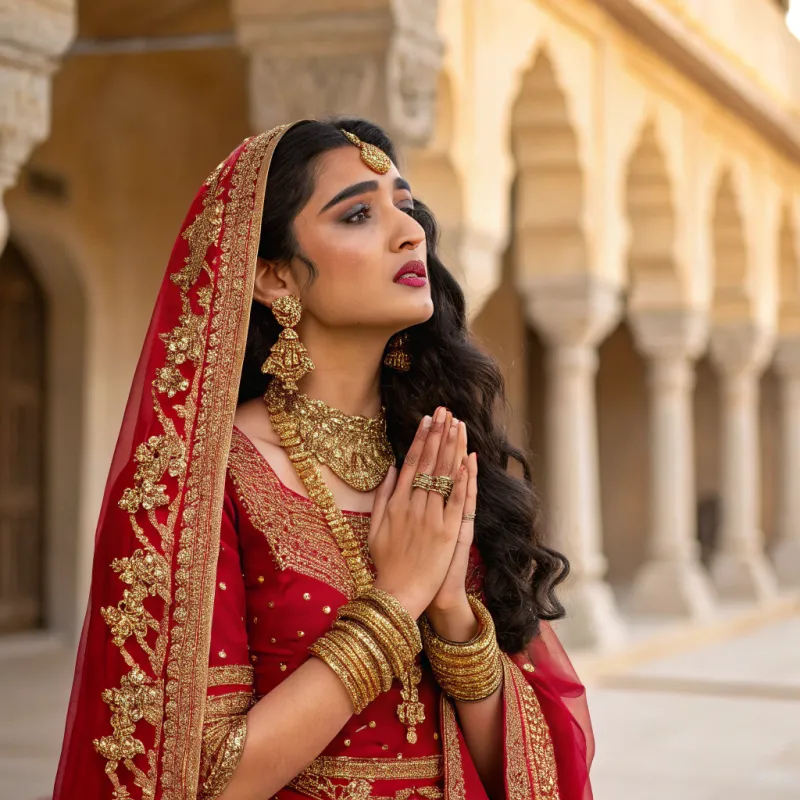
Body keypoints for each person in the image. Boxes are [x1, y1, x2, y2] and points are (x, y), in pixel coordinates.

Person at [52, 119, 594, 800]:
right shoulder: (194, 484)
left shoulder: (436, 453)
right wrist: (395, 603)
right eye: (359, 213)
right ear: (274, 278)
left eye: (407, 204)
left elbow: (518, 767)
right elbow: (198, 782)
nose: (410, 231)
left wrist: (453, 613)